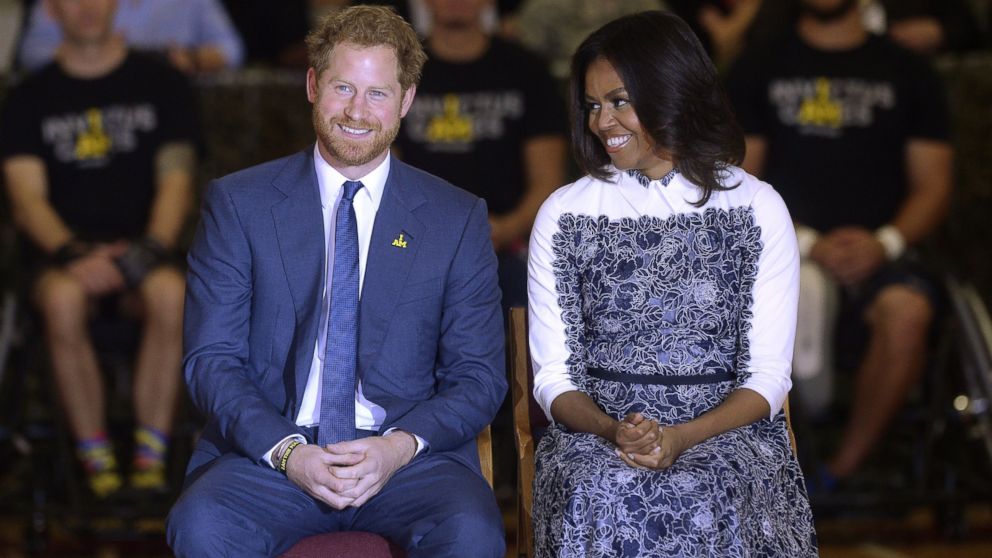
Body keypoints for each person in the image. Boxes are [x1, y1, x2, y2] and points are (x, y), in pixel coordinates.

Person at [166, 6, 507, 557]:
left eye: (377, 93)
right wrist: (287, 452)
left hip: (407, 461)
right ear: (311, 85)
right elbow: (211, 361)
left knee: (471, 531)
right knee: (201, 525)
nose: (356, 111)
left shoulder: (456, 217)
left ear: (407, 100)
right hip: (270, 454)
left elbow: (479, 376)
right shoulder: (239, 204)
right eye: (342, 87)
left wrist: (396, 448)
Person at [527, 11, 816, 557]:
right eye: (592, 105)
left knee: (709, 489)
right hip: (596, 436)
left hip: (730, 435)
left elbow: (769, 379)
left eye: (619, 101)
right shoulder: (565, 214)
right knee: (600, 488)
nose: (601, 122)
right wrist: (615, 431)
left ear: (673, 92)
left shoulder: (756, 207)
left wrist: (681, 437)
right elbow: (554, 380)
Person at [726, 0, 953, 485]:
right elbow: (739, 179)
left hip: (884, 250)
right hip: (786, 247)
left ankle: (836, 473)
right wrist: (806, 242)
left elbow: (933, 184)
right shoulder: (758, 65)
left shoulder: (908, 70)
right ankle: (776, 466)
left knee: (908, 312)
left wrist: (884, 243)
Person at [0, 0, 198, 498]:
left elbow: (177, 181)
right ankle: (95, 461)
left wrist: (147, 250)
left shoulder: (163, 84)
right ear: (51, 11)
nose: (86, 7)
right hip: (63, 262)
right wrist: (73, 255)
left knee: (173, 294)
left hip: (146, 255)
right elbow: (26, 199)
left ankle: (152, 461)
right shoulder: (28, 97)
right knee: (64, 299)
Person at [394, 0, 567, 311]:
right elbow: (380, 171)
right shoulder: (398, 69)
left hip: (509, 248)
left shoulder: (526, 69)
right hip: (416, 243)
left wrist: (503, 229)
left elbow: (549, 182)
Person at [18, 0, 244, 74]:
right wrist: (96, 54)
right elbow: (31, 53)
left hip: (167, 97)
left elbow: (232, 50)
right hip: (84, 101)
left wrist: (192, 59)